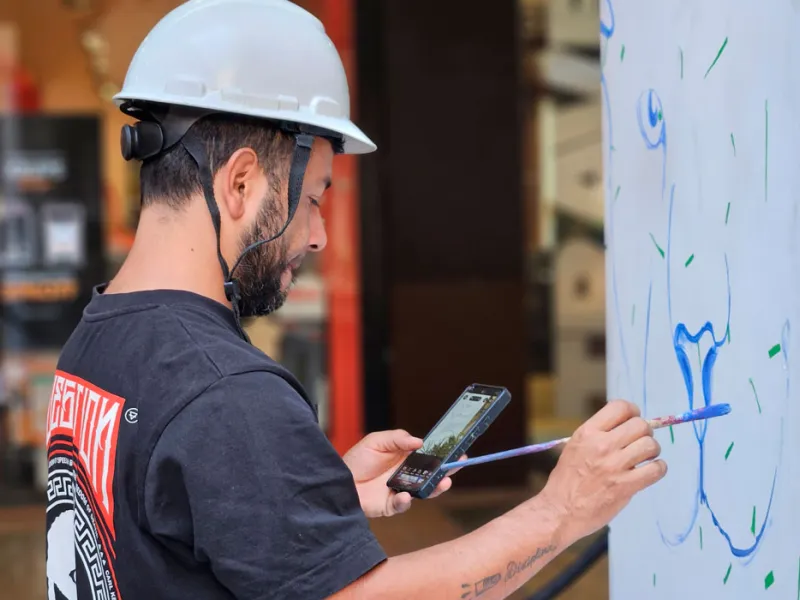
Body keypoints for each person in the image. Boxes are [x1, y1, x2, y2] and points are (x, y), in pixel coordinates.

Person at [43, 1, 667, 599]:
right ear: (239, 183)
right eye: (313, 198)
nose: (316, 236)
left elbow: (160, 523)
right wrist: (563, 510)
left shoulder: (96, 338)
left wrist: (310, 494)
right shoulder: (225, 392)